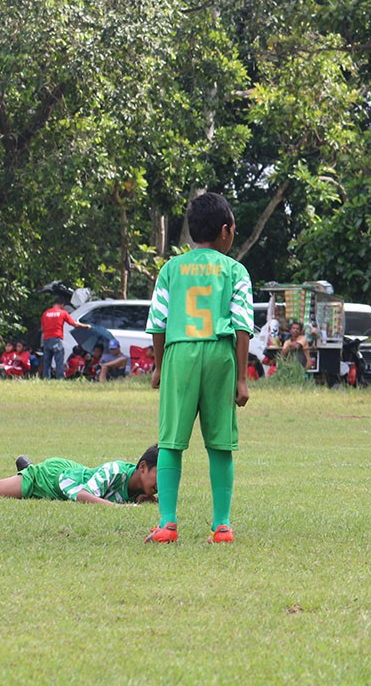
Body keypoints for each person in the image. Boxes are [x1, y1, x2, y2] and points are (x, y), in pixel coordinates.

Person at [145, 192, 252, 544]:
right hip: (220, 355)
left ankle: (167, 524)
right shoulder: (235, 270)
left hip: (180, 354)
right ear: (225, 231)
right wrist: (241, 378)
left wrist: (159, 368)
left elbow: (158, 322)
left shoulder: (171, 269)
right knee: (221, 443)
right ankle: (222, 526)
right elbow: (241, 325)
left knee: (171, 442)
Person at [0, 445, 158, 505]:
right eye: (159, 475)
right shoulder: (115, 470)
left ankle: (26, 468)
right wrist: (119, 508)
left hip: (71, 473)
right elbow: (82, 496)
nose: (163, 483)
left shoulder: (139, 486)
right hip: (53, 478)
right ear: (142, 467)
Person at [39, 295, 90, 380]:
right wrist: (85, 326)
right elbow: (74, 323)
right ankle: (60, 379)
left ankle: (46, 378)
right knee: (59, 361)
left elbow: (43, 328)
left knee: (47, 361)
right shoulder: (63, 313)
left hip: (46, 339)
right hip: (56, 339)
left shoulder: (45, 313)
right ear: (62, 305)